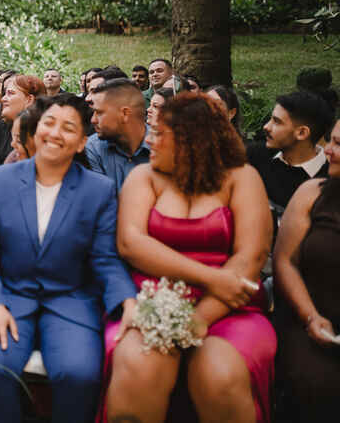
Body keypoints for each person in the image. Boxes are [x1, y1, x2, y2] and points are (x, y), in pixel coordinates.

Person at [102, 92, 275, 423]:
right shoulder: (143, 177)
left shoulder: (242, 177)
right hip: (150, 302)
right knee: (140, 367)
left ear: (189, 140)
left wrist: (198, 319)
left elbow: (250, 259)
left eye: (159, 134)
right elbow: (130, 243)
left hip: (229, 306)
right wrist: (211, 276)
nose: (149, 140)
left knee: (219, 375)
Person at [0, 93, 137, 423]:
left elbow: (105, 259)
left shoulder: (98, 190)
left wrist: (127, 300)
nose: (55, 133)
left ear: (81, 143)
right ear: (35, 130)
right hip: (9, 298)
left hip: (71, 302)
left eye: (68, 128)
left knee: (79, 374)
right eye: (49, 123)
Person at [273, 117, 340, 422]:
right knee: (316, 385)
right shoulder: (313, 193)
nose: (328, 151)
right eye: (332, 140)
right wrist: (311, 316)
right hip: (312, 323)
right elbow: (285, 261)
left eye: (338, 144)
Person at [247, 90, 332, 210]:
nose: (266, 126)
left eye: (276, 122)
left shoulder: (327, 183)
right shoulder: (255, 155)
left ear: (302, 133)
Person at [86, 79, 150, 193]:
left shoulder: (166, 147)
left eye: (99, 113)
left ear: (124, 113)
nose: (93, 120)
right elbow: (100, 202)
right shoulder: (93, 148)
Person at [0, 74, 44, 166]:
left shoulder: (42, 135)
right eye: (4, 93)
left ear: (29, 99)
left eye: (10, 93)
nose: (3, 99)